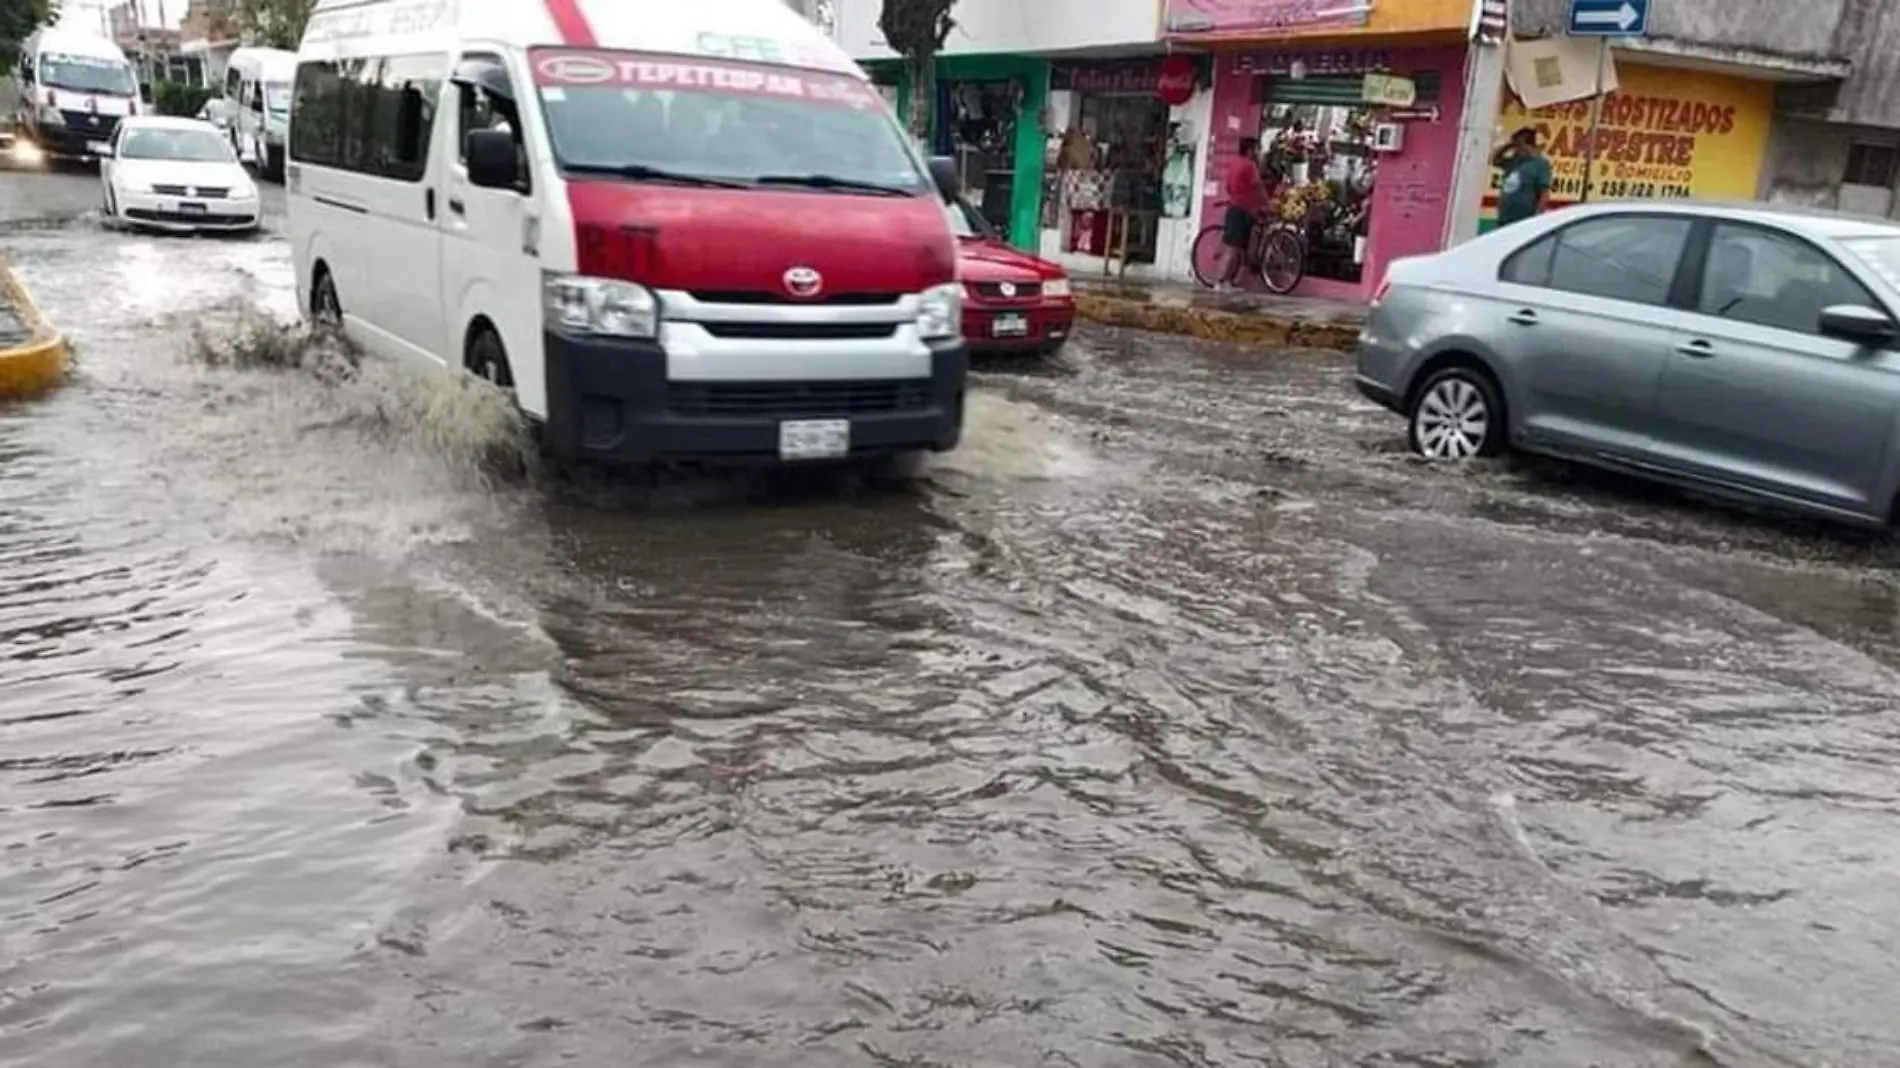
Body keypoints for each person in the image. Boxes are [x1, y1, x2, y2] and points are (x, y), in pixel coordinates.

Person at [1215, 136, 1268, 293]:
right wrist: (1267, 203)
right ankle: (1221, 281)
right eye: (1257, 149)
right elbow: (1258, 187)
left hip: (1235, 208)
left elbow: (1229, 186)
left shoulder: (1234, 163)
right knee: (1233, 248)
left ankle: (1229, 281)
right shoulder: (1249, 165)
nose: (1258, 153)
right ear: (1250, 151)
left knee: (1237, 249)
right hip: (1242, 210)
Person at [1492, 127, 1551, 228]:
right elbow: (1495, 160)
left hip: (1524, 219)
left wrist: (1537, 216)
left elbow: (1544, 192)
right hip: (1505, 217)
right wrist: (1508, 146)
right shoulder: (1514, 161)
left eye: (1519, 145)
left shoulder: (1540, 164)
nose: (1516, 149)